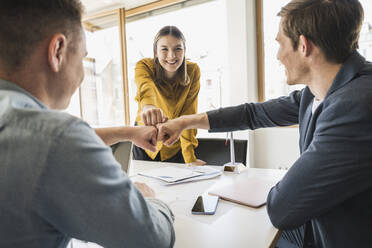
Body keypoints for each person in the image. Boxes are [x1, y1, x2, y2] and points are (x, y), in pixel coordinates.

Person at [156, 0, 372, 247]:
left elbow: (283, 207)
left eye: (280, 44)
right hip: (318, 222)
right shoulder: (318, 92)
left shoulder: (356, 105)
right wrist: (184, 122)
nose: (278, 56)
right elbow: (253, 114)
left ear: (304, 46)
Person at [0, 1, 174, 247]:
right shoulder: (56, 138)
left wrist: (128, 132)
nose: (82, 76)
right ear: (57, 51)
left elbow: (37, 141)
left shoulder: (26, 129)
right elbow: (152, 239)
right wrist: (149, 201)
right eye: (82, 59)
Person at [133, 25, 206, 165]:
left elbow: (189, 113)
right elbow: (145, 87)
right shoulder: (144, 66)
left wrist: (190, 159)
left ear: (184, 51)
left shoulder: (193, 71)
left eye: (178, 49)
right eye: (164, 49)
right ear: (156, 52)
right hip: (144, 138)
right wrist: (148, 107)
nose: (171, 55)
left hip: (173, 144)